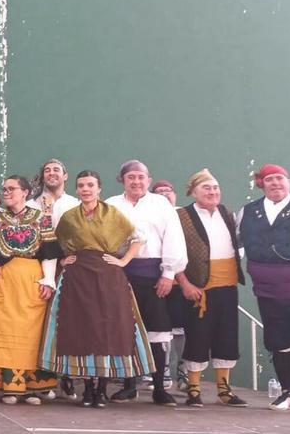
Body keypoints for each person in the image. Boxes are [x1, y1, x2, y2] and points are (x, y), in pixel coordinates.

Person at [40, 170, 154, 408]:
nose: (85, 189)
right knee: (81, 327)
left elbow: (139, 238)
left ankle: (101, 388)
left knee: (107, 328)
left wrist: (123, 261)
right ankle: (87, 388)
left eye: (90, 185)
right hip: (77, 278)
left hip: (107, 277)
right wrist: (63, 260)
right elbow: (54, 243)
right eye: (81, 185)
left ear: (99, 188)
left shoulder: (113, 214)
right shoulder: (70, 217)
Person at [0, 175, 60, 405]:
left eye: (12, 188)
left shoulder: (40, 218)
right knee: (1, 332)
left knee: (29, 334)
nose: (6, 192)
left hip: (30, 281)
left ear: (25, 192)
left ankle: (29, 387)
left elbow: (49, 252)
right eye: (4, 188)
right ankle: (2, 386)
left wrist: (48, 280)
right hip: (1, 280)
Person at [106, 160, 187, 406]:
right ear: (122, 180)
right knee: (125, 328)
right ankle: (129, 385)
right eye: (131, 177)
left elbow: (173, 237)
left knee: (158, 331)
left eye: (141, 177)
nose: (136, 181)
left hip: (154, 275)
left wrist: (168, 274)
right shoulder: (110, 205)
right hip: (120, 274)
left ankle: (160, 388)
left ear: (149, 180)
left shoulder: (160, 204)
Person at [175, 169, 247, 407]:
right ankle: (193, 388)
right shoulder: (181, 215)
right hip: (199, 288)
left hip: (227, 286)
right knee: (197, 337)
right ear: (193, 192)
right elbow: (173, 253)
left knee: (226, 337)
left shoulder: (227, 213)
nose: (213, 192)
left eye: (215, 187)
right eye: (207, 188)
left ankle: (223, 389)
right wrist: (184, 283)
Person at [238, 164, 290, 411]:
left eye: (279, 178)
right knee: (278, 339)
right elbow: (236, 246)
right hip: (267, 288)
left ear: (288, 181)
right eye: (269, 179)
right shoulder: (249, 211)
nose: (275, 183)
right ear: (262, 183)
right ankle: (287, 391)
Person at [28, 158, 80, 399]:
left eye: (56, 170)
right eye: (47, 170)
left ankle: (67, 375)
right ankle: (42, 376)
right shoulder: (30, 204)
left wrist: (66, 260)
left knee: (66, 321)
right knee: (40, 322)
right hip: (37, 270)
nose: (51, 174)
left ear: (65, 176)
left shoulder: (76, 204)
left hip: (70, 269)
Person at [151, 179, 187, 390]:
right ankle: (160, 371)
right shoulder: (153, 214)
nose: (165, 194)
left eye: (168, 190)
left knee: (180, 328)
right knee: (158, 328)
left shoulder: (185, 215)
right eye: (160, 191)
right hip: (154, 280)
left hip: (181, 282)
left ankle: (181, 371)